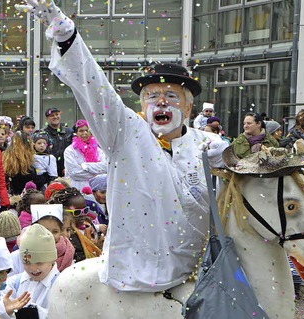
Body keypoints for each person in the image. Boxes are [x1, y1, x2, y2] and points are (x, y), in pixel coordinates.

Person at [24, 0, 228, 291]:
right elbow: (95, 90)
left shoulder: (210, 145)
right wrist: (65, 34)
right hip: (137, 275)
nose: (160, 101)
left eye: (171, 96)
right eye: (152, 95)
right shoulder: (127, 132)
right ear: (142, 104)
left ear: (189, 105)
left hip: (201, 273)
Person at [2, 224, 59, 318]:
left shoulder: (60, 286)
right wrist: (5, 311)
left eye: (39, 263)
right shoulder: (14, 284)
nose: (33, 269)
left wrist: (37, 314)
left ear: (52, 259)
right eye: (27, 263)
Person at [63, 119, 107, 191]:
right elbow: (74, 173)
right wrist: (96, 173)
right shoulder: (69, 151)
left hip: (96, 190)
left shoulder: (98, 150)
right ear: (76, 133)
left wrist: (85, 166)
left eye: (87, 130)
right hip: (76, 189)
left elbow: (105, 167)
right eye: (81, 131)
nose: (85, 133)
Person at [31, 204, 74, 272]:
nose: (50, 235)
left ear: (60, 231)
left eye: (55, 232)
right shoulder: (26, 250)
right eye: (45, 231)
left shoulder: (68, 250)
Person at [3, 132, 37, 196]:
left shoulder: (6, 158)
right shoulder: (26, 166)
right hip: (22, 199)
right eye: (30, 142)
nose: (33, 144)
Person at [43, 107, 73, 177]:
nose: (55, 117)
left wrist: (69, 167)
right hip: (49, 171)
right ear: (47, 118)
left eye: (57, 114)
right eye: (52, 115)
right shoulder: (43, 133)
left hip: (66, 170)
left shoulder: (69, 132)